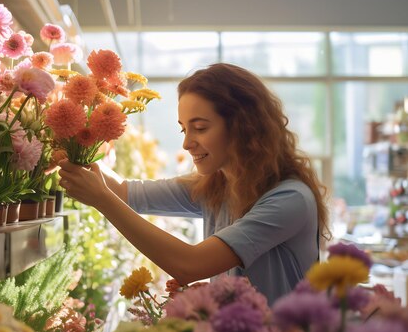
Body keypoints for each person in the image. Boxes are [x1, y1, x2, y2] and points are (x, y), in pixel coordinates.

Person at [58, 63, 330, 304]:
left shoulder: (289, 199)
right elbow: (128, 193)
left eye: (200, 128)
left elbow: (189, 264)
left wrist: (102, 200)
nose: (187, 143)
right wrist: (70, 141)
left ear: (242, 126)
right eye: (184, 129)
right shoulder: (217, 185)